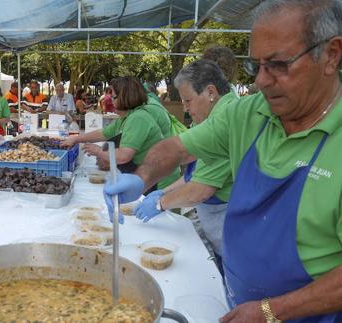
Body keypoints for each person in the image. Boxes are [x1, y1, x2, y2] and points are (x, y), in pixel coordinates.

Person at [104, 1, 342, 321]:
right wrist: (143, 178)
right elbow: (178, 148)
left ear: (331, 55)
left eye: (278, 64)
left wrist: (271, 311)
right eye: (255, 66)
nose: (261, 81)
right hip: (239, 302)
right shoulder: (248, 113)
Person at [136, 59, 236, 267]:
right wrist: (164, 192)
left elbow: (199, 191)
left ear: (210, 92)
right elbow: (196, 175)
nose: (186, 109)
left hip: (229, 227)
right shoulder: (217, 116)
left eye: (188, 101)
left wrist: (160, 203)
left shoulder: (226, 119)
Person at [61, 77, 179, 189]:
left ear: (124, 97)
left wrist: (98, 151)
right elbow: (103, 133)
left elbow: (124, 155)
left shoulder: (138, 118)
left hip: (160, 180)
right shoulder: (128, 116)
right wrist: (76, 139)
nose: (111, 101)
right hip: (150, 175)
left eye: (113, 97)